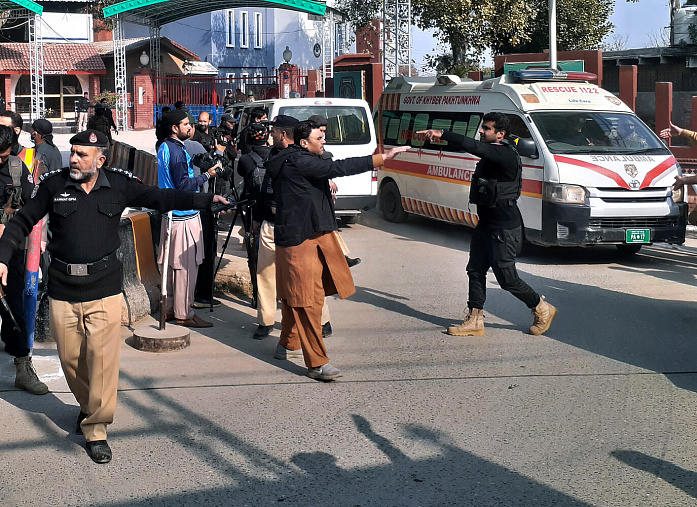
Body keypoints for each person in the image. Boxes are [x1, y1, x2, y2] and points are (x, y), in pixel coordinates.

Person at [0, 129, 229, 463]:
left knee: (103, 365)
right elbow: (22, 221)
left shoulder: (119, 185)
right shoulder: (54, 185)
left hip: (105, 290)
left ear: (100, 159)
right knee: (73, 363)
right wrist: (3, 256)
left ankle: (96, 429)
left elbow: (160, 198)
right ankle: (89, 405)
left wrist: (207, 200)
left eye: (81, 154)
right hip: (64, 292)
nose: (73, 159)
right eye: (73, 152)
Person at [267, 119, 408, 380]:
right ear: (302, 143)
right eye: (319, 139)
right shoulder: (298, 161)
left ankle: (287, 343)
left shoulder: (295, 159)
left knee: (299, 296)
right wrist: (381, 158)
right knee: (306, 300)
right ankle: (317, 363)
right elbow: (339, 167)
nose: (323, 142)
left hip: (316, 235)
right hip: (299, 239)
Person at [418, 113, 558, 337]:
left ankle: (542, 308)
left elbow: (476, 148)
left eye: (487, 128)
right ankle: (475, 320)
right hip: (487, 224)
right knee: (475, 269)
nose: (481, 131)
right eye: (482, 128)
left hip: (504, 227)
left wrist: (443, 133)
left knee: (507, 279)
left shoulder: (504, 154)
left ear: (500, 134)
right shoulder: (494, 153)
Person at [157, 110, 218, 328]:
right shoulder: (176, 152)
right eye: (185, 124)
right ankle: (185, 313)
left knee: (173, 268)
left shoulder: (165, 147)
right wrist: (206, 176)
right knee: (186, 268)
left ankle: (172, 309)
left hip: (171, 215)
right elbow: (183, 185)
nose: (189, 127)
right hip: (183, 217)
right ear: (175, 128)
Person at [0, 125, 47, 395]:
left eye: (3, 156)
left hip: (12, 251)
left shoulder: (18, 169)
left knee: (14, 308)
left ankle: (22, 365)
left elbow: (35, 204)